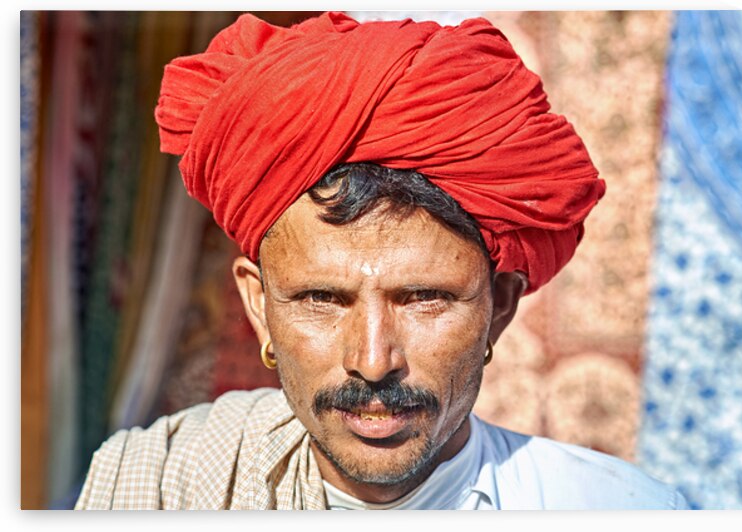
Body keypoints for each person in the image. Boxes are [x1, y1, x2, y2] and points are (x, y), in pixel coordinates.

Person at [75, 12, 688, 510]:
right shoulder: (153, 486)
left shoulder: (617, 510)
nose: (372, 362)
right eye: (321, 299)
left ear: (498, 306)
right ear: (259, 306)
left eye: (424, 298)